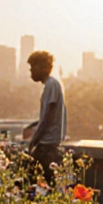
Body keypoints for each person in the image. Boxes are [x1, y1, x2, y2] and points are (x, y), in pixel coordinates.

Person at [25, 51, 65, 181]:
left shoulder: (51, 85)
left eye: (33, 68)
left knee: (35, 181)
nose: (31, 72)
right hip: (46, 144)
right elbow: (46, 116)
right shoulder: (51, 85)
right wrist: (33, 125)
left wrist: (33, 141)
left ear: (43, 67)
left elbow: (48, 118)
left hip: (47, 145)